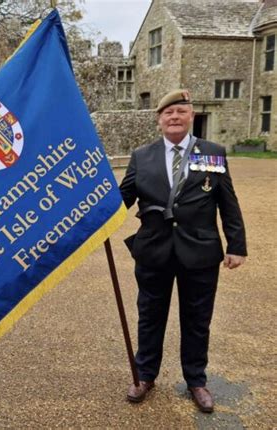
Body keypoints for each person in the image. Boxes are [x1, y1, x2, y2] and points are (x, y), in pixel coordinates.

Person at [120, 89, 247, 413]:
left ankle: (196, 381)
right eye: (168, 113)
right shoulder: (141, 156)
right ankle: (145, 376)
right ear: (159, 120)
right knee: (150, 317)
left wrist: (236, 245)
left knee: (197, 320)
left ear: (191, 115)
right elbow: (122, 198)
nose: (174, 117)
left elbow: (226, 201)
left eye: (180, 111)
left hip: (200, 252)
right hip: (154, 251)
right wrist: (90, 209)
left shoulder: (212, 152)